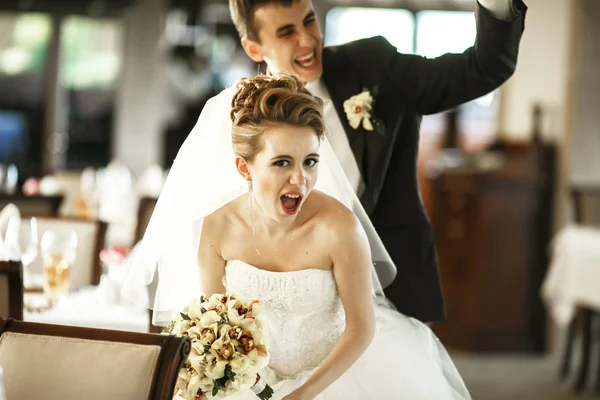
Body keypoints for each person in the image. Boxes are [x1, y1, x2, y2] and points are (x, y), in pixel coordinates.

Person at [124, 74, 471, 399]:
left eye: (310, 161)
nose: (299, 180)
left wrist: (300, 395)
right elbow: (218, 327)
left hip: (335, 377)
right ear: (245, 168)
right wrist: (255, 387)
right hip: (253, 384)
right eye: (282, 163)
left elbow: (361, 330)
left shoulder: (340, 228)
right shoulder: (217, 228)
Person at [228, 0, 528, 323]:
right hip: (292, 311)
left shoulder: (372, 67)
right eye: (287, 32)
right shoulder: (241, 120)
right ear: (253, 48)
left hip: (392, 294)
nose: (308, 40)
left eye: (309, 21)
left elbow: (483, 68)